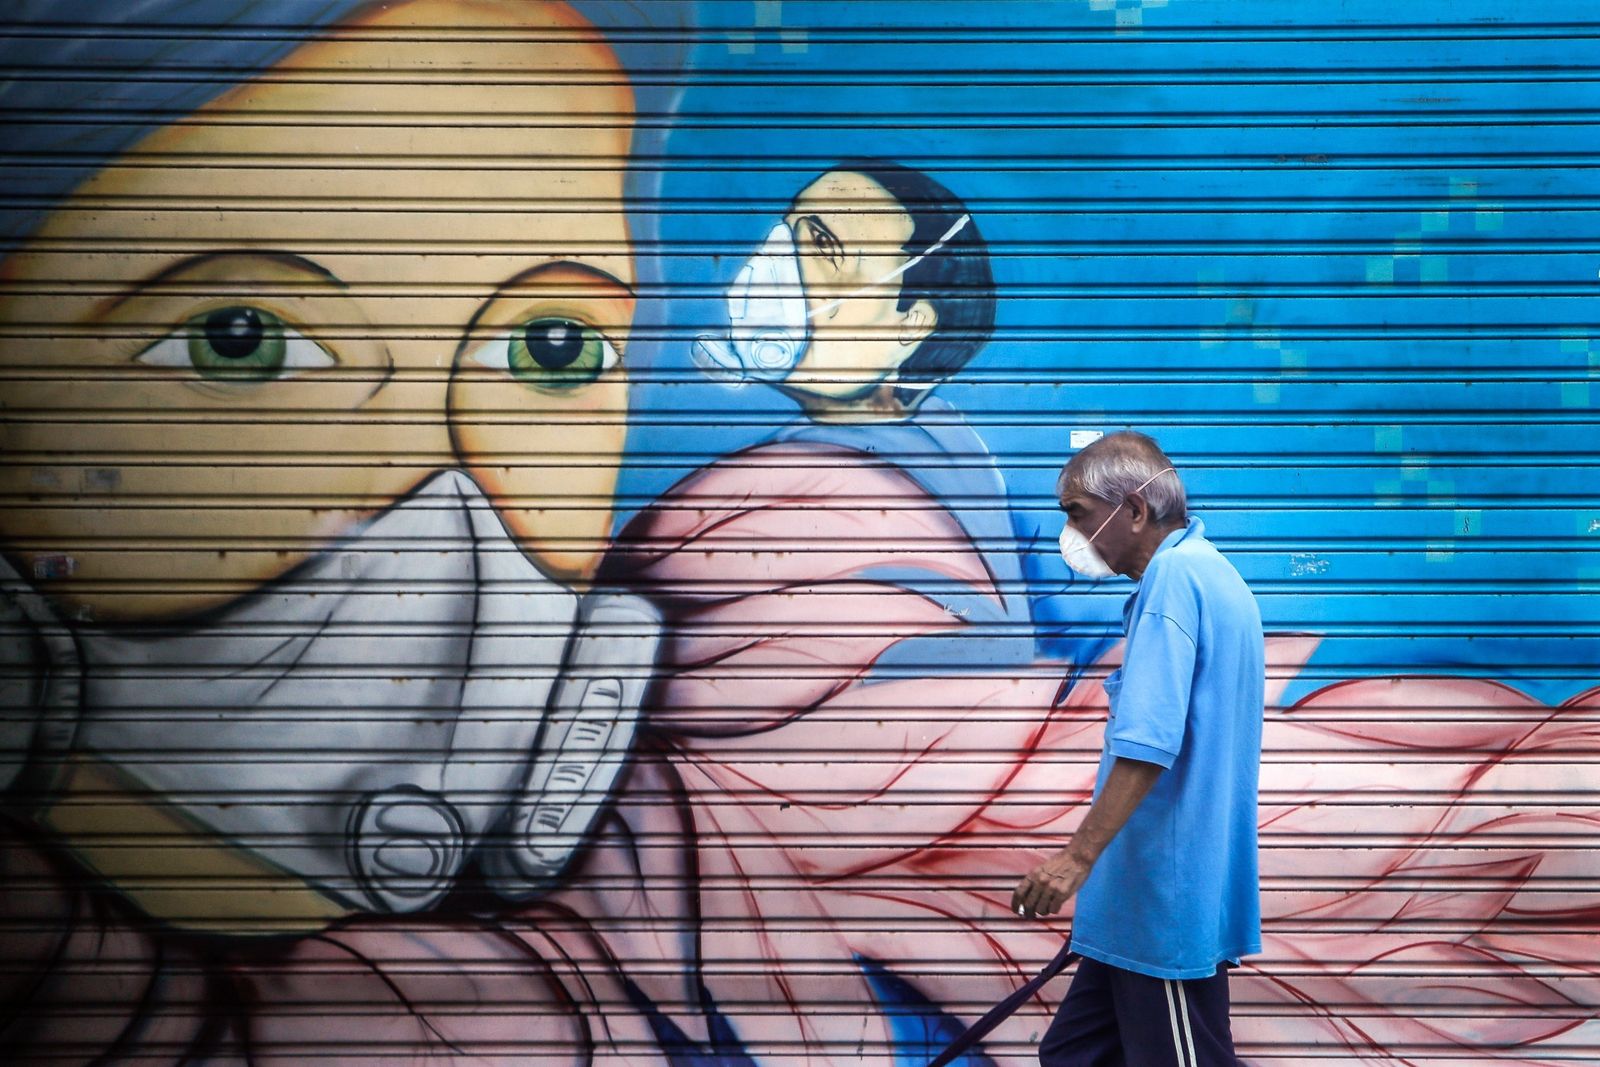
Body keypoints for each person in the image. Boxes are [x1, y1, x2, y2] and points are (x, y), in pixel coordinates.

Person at [689, 160, 1034, 668]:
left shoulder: (820, 482)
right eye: (787, 232)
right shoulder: (949, 449)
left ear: (910, 325)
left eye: (823, 249)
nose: (776, 262)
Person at [1012, 431, 1264, 1065]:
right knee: (1073, 1056)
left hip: (1163, 902)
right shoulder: (1210, 572)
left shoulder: (1174, 580)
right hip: (1139, 902)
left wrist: (1074, 859)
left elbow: (1149, 740)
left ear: (1132, 509)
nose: (1069, 533)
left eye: (1077, 513)